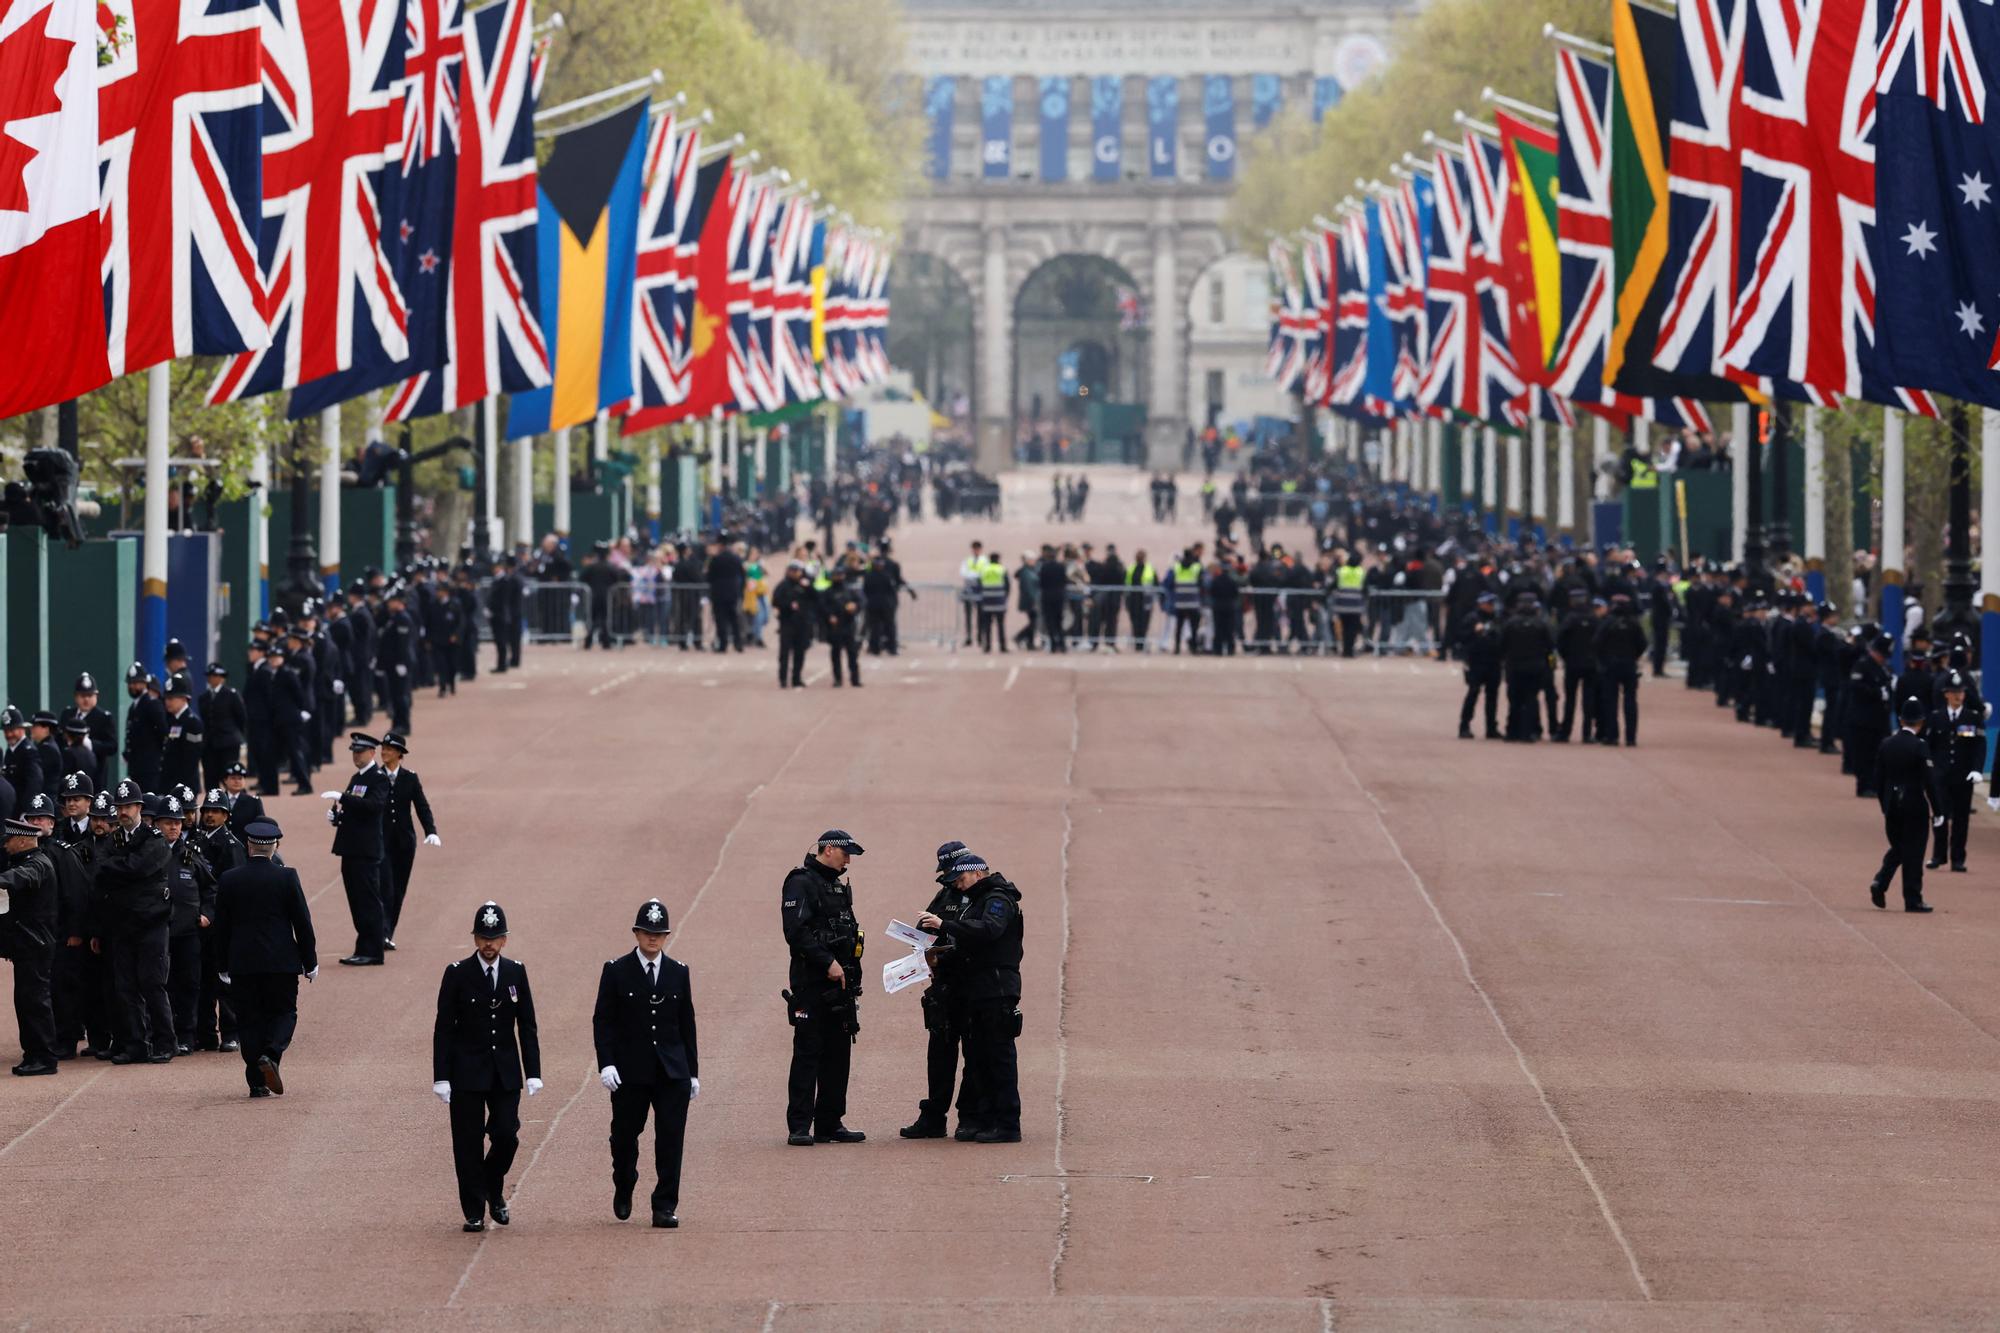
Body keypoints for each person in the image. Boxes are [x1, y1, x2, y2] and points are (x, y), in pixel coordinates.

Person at [433, 901, 542, 1232]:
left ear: (505, 939)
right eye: (483, 937)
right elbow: (444, 1028)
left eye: (494, 937)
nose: (489, 944)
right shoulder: (457, 973)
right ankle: (474, 1210)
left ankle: (493, 1185)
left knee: (507, 1135)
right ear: (475, 939)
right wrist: (441, 1077)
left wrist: (533, 1071)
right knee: (466, 1143)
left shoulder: (515, 972)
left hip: (505, 1071)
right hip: (466, 1072)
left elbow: (527, 1025)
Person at [593, 897, 699, 1228]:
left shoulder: (678, 972)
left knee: (670, 1140)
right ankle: (624, 1184)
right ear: (636, 933)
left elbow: (687, 1024)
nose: (653, 938)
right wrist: (606, 1063)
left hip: (672, 1071)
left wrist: (693, 1073)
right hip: (630, 1071)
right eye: (647, 932)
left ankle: (664, 1205)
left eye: (659, 933)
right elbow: (603, 1021)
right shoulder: (615, 971)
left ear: (666, 936)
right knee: (624, 1138)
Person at [916, 849, 1023, 1143]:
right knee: (981, 1059)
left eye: (961, 879)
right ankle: (989, 1121)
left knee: (999, 1059)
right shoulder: (978, 899)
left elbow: (989, 930)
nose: (958, 886)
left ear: (977, 872)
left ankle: (1008, 1125)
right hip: (980, 989)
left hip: (996, 989)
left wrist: (945, 925)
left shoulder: (998, 899)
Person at [213, 818, 316, 1098]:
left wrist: (221, 964)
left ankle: (256, 1083)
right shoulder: (287, 876)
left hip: (243, 963)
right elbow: (302, 922)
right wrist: (311, 960)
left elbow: (221, 927)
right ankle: (272, 1053)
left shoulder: (230, 879)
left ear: (248, 846)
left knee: (249, 1019)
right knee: (284, 1012)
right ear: (274, 847)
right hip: (281, 961)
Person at [781, 830, 866, 1146]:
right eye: (845, 854)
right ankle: (799, 1126)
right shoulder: (800, 882)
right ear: (829, 850)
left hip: (840, 985)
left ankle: (830, 1122)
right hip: (811, 984)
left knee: (838, 1055)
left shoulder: (835, 885)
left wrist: (850, 971)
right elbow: (796, 931)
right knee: (808, 1053)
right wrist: (826, 961)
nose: (848, 861)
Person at [902, 841, 980, 1140]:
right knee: (939, 1056)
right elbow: (925, 931)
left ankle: (968, 1117)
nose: (951, 879)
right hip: (944, 987)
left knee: (974, 1056)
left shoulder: (983, 897)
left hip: (972, 986)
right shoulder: (945, 893)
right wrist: (920, 941)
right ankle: (933, 1117)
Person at [94, 779, 175, 1063]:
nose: (123, 811)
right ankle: (136, 1044)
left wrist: (120, 869)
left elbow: (140, 867)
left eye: (128, 806)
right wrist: (123, 870)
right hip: (122, 923)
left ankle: (165, 1042)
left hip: (151, 922)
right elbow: (99, 867)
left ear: (139, 807)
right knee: (125, 987)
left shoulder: (155, 838)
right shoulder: (112, 839)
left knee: (152, 984)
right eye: (120, 807)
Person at [155, 795, 216, 1057]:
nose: (174, 828)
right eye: (168, 823)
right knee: (161, 985)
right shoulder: (151, 852)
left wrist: (206, 914)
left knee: (189, 984)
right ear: (157, 824)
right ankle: (164, 1035)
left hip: (188, 932)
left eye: (178, 823)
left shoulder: (191, 854)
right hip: (158, 931)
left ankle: (187, 1036)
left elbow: (211, 887)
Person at [1871, 698, 1945, 913]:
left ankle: (1881, 881)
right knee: (1914, 852)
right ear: (1921, 722)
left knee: (1900, 847)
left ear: (1901, 719)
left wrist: (1885, 805)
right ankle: (1913, 899)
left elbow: (1877, 780)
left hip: (1891, 805)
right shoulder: (1920, 746)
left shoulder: (1886, 744)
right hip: (1914, 804)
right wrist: (1938, 811)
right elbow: (1930, 782)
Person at [0, 814, 60, 1075]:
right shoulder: (29, 861)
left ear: (23, 841)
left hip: (36, 945)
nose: (5, 845)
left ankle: (45, 1057)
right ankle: (33, 1054)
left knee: (35, 1001)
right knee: (25, 1001)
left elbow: (17, 878)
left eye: (9, 840)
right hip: (26, 944)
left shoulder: (38, 864)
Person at [326, 732, 389, 966]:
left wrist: (343, 797)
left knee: (368, 901)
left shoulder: (378, 778)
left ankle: (373, 950)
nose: (356, 756)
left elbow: (373, 806)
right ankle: (363, 947)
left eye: (360, 752)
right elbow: (354, 810)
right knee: (356, 901)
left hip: (366, 850)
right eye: (354, 752)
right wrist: (337, 817)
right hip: (351, 847)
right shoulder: (357, 777)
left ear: (372, 753)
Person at [380, 732, 439, 948]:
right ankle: (382, 931)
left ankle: (388, 932)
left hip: (404, 843)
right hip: (382, 842)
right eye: (383, 748)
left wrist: (431, 830)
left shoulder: (410, 778)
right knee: (384, 886)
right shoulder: (376, 776)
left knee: (398, 889)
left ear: (399, 754)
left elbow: (422, 806)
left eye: (389, 749)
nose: (384, 752)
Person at [1927, 670, 1984, 873]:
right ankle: (1938, 855)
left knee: (1961, 818)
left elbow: (1979, 746)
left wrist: (1977, 769)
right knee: (1940, 816)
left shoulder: (1973, 717)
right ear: (1946, 694)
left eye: (1961, 692)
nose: (1958, 695)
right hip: (1941, 776)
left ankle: (1958, 858)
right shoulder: (1936, 717)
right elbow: (1929, 746)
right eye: (1954, 692)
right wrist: (1930, 770)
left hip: (1963, 775)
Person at [1594, 594, 1649, 747]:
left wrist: (1604, 660)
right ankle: (1630, 737)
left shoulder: (1607, 623)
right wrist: (1633, 656)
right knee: (1630, 701)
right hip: (1629, 665)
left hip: (1610, 666)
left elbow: (1597, 643)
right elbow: (1643, 644)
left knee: (1610, 701)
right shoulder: (1634, 624)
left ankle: (1612, 736)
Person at [1457, 593, 1503, 739]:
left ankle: (1491, 728)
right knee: (1473, 693)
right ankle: (1464, 726)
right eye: (1488, 603)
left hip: (1493, 661)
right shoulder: (1472, 618)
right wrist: (1474, 631)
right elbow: (1461, 638)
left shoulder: (1497, 618)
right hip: (1476, 661)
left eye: (1492, 603)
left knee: (1492, 696)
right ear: (1481, 603)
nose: (1491, 606)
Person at [198, 663, 248, 791]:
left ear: (222, 678)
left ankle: (235, 803)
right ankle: (213, 806)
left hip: (228, 743)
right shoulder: (203, 697)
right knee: (210, 776)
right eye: (209, 676)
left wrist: (235, 735)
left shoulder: (231, 694)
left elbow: (241, 718)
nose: (211, 679)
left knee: (230, 776)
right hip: (210, 743)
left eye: (214, 675)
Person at [122, 664, 168, 792]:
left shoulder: (152, 704)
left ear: (145, 683)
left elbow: (163, 733)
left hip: (150, 768)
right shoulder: (133, 707)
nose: (133, 686)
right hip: (136, 767)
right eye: (130, 683)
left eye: (137, 683)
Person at [772, 561, 817, 689]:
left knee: (800, 652)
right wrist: (788, 605)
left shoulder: (805, 584)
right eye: (793, 571)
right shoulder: (783, 585)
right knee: (784, 653)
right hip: (787, 622)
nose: (795, 573)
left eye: (797, 571)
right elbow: (775, 601)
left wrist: (809, 587)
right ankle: (783, 679)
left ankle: (796, 678)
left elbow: (816, 599)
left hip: (803, 623)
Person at [823, 571, 863, 687]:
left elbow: (861, 601)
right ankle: (838, 679)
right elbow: (822, 606)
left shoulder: (849, 590)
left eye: (840, 575)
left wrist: (855, 607)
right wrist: (829, 616)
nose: (838, 577)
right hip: (835, 627)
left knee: (852, 654)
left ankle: (855, 679)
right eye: (836, 575)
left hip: (848, 624)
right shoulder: (828, 592)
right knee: (836, 654)